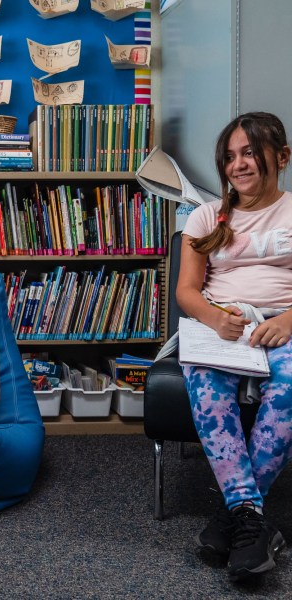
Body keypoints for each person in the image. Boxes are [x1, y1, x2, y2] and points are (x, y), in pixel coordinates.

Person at [176, 111, 292, 581]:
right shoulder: (207, 215)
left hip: (284, 325)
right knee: (207, 390)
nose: (237, 165)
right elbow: (187, 291)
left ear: (281, 157)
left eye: (249, 153)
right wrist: (215, 318)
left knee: (288, 389)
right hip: (220, 326)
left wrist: (287, 320)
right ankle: (252, 518)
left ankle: (237, 516)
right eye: (229, 156)